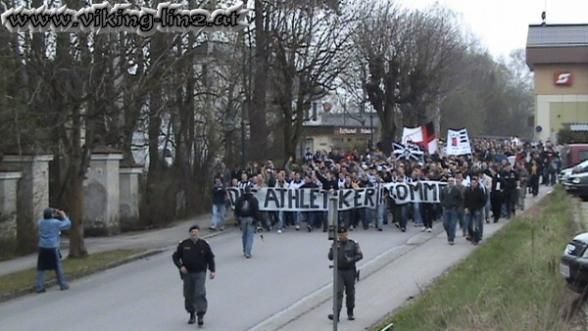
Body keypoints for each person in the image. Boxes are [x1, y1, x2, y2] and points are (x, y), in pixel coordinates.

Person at [172, 225, 216, 327]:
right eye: (192, 232)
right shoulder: (183, 244)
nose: (194, 234)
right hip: (187, 273)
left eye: (196, 232)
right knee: (188, 294)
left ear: (198, 233)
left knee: (199, 293)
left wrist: (212, 271)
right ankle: (191, 313)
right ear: (190, 233)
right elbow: (175, 257)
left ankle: (200, 315)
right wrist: (180, 266)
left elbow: (210, 258)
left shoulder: (204, 244)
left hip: (200, 272)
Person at [328, 226, 363, 322]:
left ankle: (350, 312)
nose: (342, 236)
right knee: (338, 292)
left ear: (347, 234)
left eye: (343, 234)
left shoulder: (353, 244)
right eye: (340, 234)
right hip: (339, 271)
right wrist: (334, 249)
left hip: (350, 271)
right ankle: (336, 314)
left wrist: (351, 260)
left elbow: (360, 255)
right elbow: (330, 257)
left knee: (350, 292)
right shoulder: (336, 243)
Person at [36, 208, 72, 293]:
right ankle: (63, 284)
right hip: (52, 247)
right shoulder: (55, 223)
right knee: (57, 266)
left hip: (42, 247)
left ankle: (39, 287)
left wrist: (51, 213)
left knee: (41, 268)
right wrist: (63, 215)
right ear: (51, 215)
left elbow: (41, 220)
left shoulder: (41, 222)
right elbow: (67, 224)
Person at [234, 184, 261, 258]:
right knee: (250, 235)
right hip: (251, 219)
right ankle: (248, 252)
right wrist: (257, 219)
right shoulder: (253, 199)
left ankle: (244, 249)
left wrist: (237, 218)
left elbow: (236, 209)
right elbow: (256, 210)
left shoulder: (240, 199)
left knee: (244, 235)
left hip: (242, 218)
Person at [440, 177, 463, 245]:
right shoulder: (444, 189)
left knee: (452, 224)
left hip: (453, 209)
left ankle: (451, 239)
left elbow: (460, 199)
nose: (450, 182)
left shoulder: (457, 190)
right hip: (446, 208)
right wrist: (443, 204)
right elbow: (441, 197)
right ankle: (449, 234)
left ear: (454, 182)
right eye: (449, 181)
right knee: (445, 224)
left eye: (452, 181)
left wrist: (457, 206)